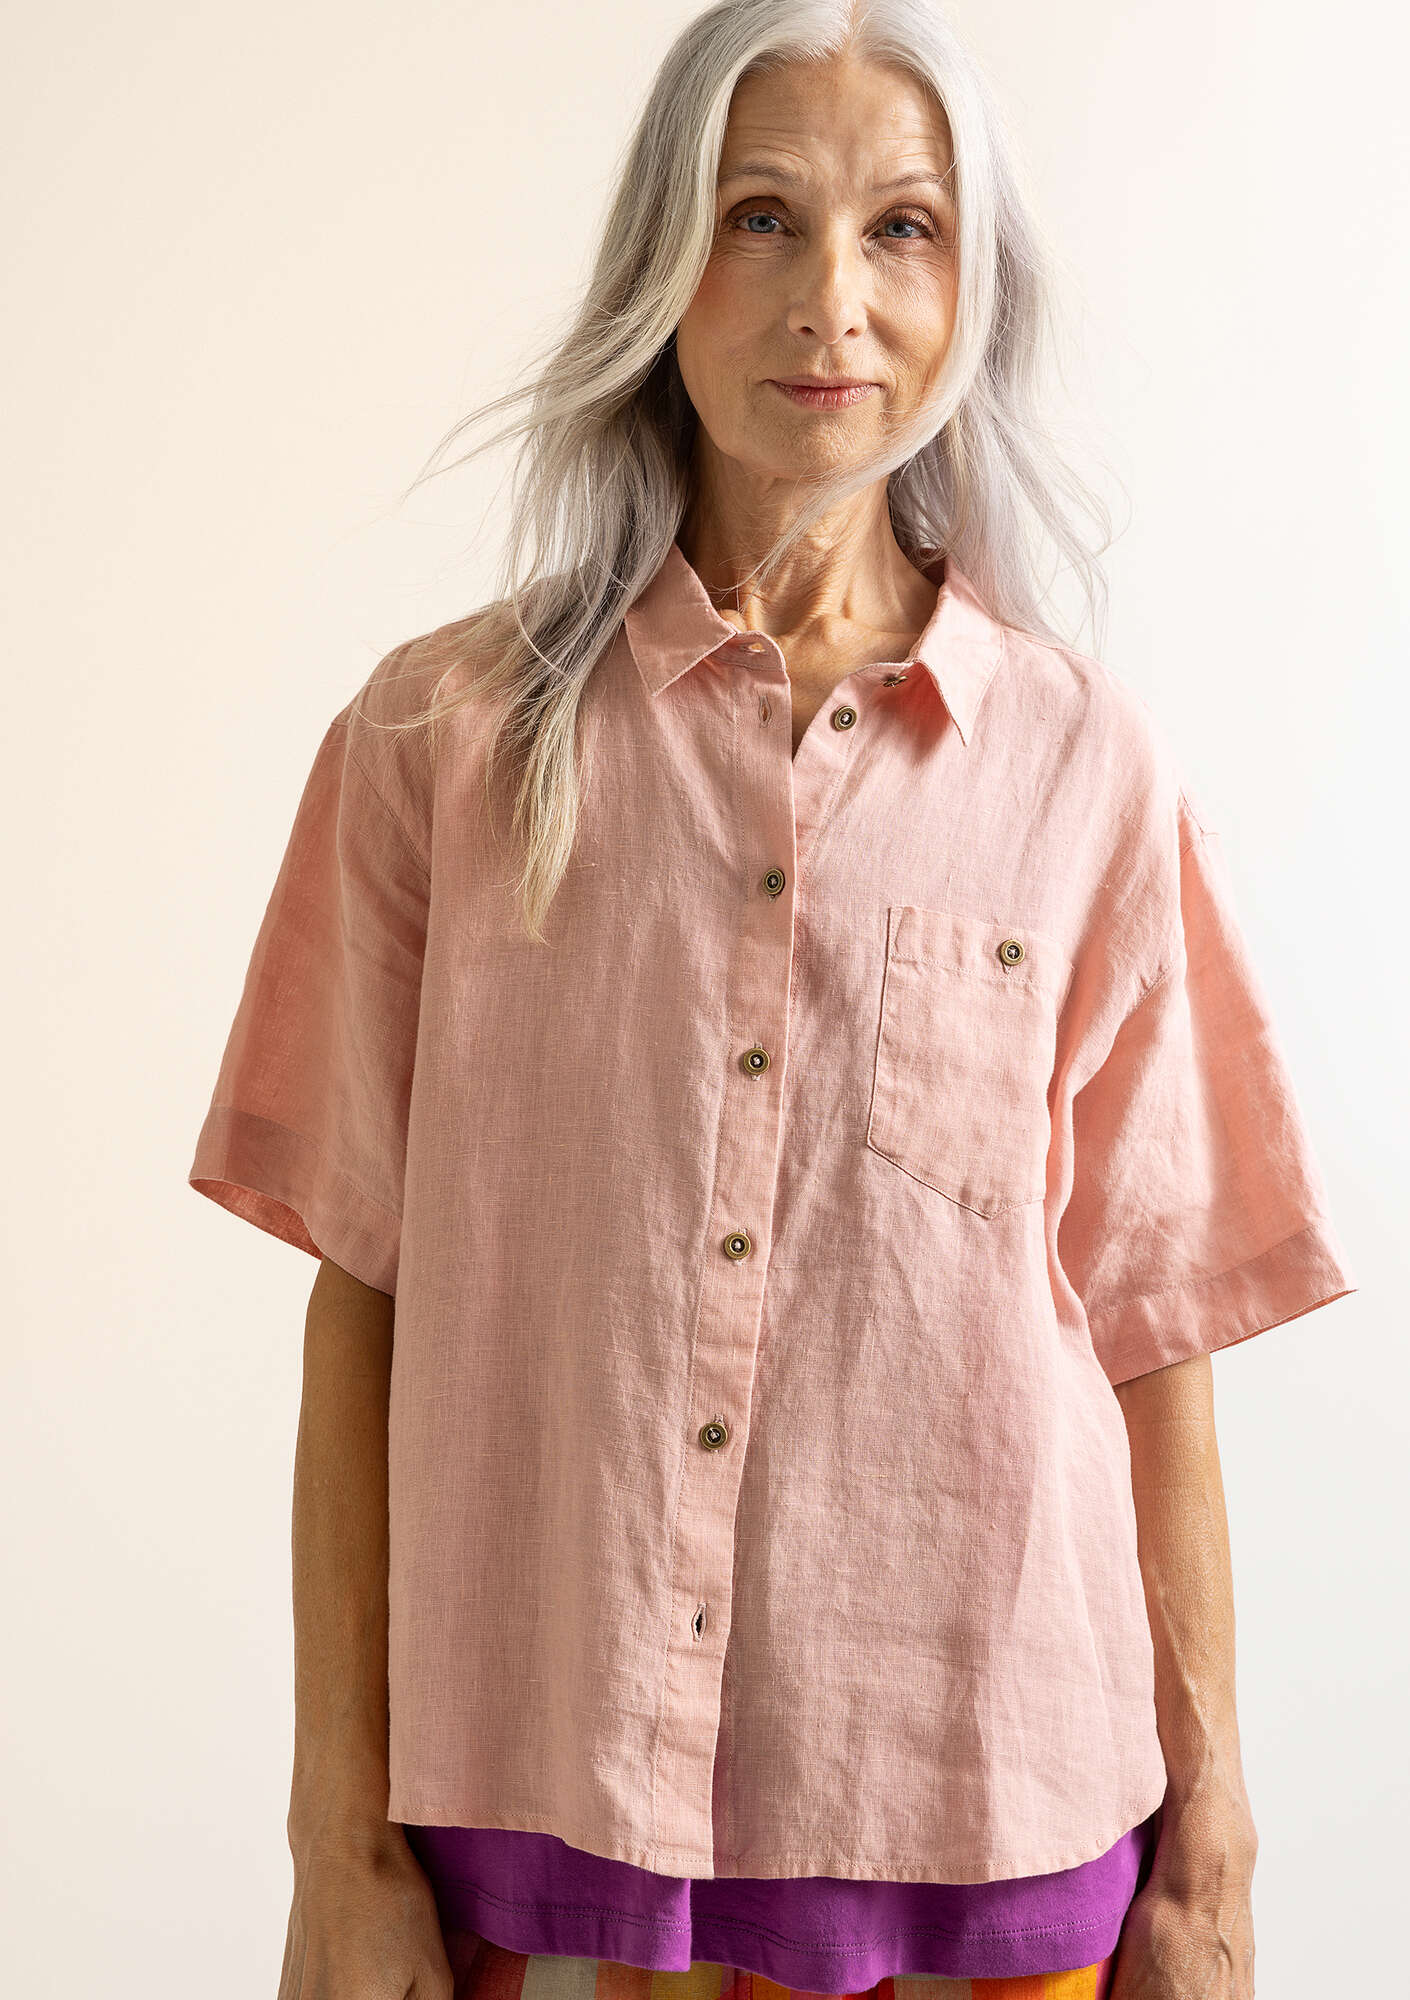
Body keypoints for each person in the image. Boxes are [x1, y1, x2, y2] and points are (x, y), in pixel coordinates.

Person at [187, 4, 1357, 1997]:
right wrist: (336, 1838)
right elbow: (361, 1296)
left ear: (971, 291)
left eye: (903, 227)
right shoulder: (437, 742)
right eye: (760, 218)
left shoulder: (1085, 767)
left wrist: (1215, 1841)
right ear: (662, 265)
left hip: (993, 1830)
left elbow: (1153, 1332)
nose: (833, 300)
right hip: (539, 1838)